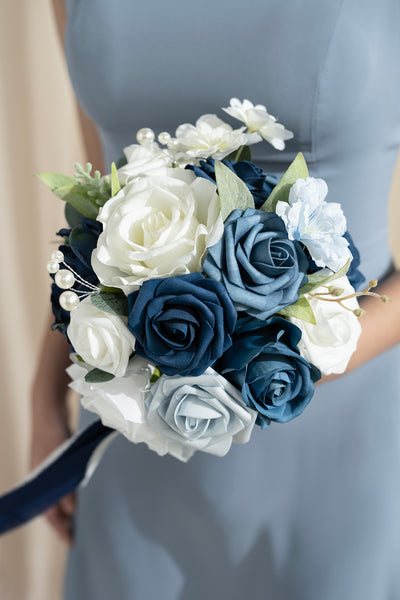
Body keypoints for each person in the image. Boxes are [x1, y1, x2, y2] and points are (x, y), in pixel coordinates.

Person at [31, 0, 400, 598]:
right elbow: (96, 196)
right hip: (134, 431)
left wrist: (263, 360)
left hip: (338, 435)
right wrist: (44, 397)